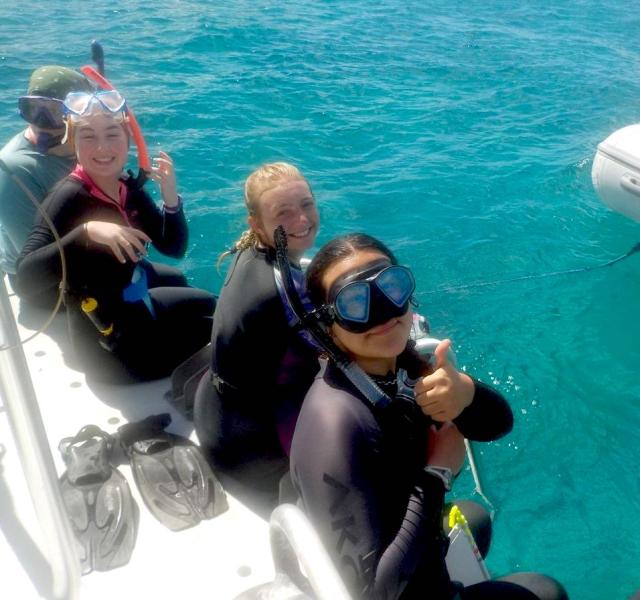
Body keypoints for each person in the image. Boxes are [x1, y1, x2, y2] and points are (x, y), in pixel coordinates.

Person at [290, 233, 568, 600]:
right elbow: (372, 593)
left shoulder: (398, 367)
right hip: (398, 589)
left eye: (391, 287)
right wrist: (436, 476)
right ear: (328, 325)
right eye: (355, 302)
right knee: (545, 592)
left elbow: (499, 425)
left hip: (413, 547)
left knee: (476, 519)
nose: (384, 313)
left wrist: (466, 393)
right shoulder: (335, 424)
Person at [15, 89, 215, 382]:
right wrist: (85, 233)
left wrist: (171, 201)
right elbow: (24, 280)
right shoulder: (67, 198)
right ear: (72, 142)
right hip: (108, 348)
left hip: (134, 303)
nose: (102, 148)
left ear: (127, 140)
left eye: (112, 134)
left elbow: (173, 247)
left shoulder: (125, 187)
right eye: (88, 137)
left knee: (214, 306)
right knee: (219, 333)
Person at [194, 162, 321, 515]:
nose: (301, 220)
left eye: (306, 204)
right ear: (256, 224)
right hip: (249, 443)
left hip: (215, 409)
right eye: (283, 212)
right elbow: (334, 354)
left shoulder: (251, 254)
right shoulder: (280, 287)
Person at [0, 65, 93, 278]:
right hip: (45, 282)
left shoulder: (83, 145)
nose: (41, 122)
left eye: (55, 111)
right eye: (33, 108)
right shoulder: (15, 170)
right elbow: (36, 266)